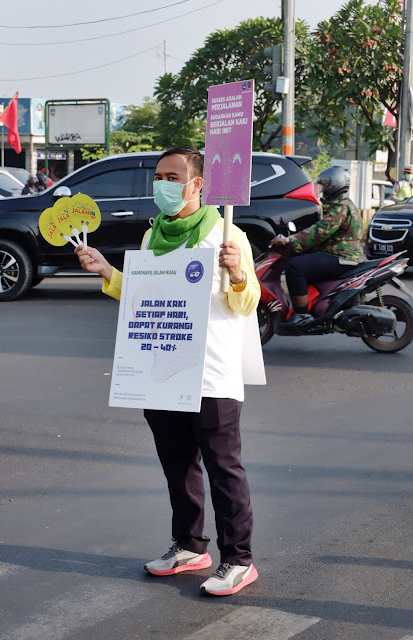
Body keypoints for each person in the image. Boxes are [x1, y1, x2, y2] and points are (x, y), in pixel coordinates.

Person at [75, 147, 261, 596]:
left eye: (172, 176)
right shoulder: (152, 235)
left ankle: (238, 559)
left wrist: (237, 273)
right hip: (162, 369)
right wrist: (108, 272)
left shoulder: (225, 233)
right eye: (159, 175)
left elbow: (248, 301)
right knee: (177, 464)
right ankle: (190, 546)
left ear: (197, 184)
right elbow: (146, 296)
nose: (162, 183)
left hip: (211, 373)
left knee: (223, 468)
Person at [270, 165, 365, 327]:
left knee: (295, 267)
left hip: (342, 258)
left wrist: (290, 240)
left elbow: (319, 232)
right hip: (338, 254)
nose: (323, 189)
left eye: (325, 184)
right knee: (299, 259)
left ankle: (301, 313)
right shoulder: (340, 204)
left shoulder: (340, 207)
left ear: (334, 185)